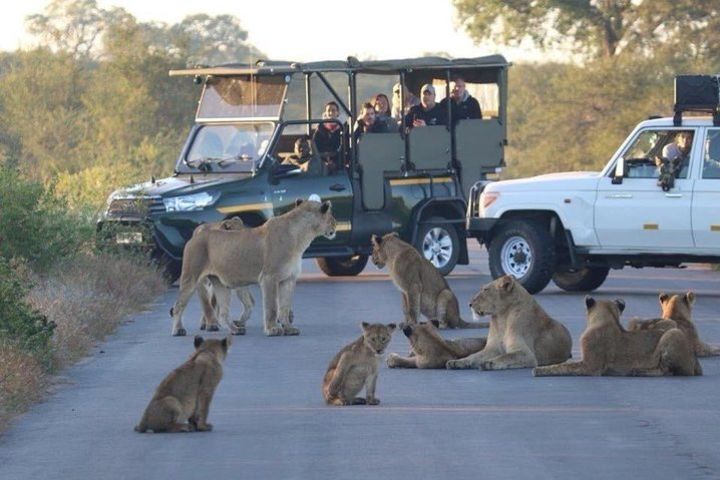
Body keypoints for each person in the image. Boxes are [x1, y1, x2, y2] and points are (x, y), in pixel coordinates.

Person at [312, 101, 343, 174]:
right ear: (325, 113)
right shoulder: (320, 129)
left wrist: (335, 163)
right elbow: (315, 147)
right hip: (322, 165)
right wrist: (324, 162)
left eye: (333, 110)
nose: (331, 113)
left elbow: (344, 147)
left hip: (339, 164)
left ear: (338, 113)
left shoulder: (343, 129)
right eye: (328, 110)